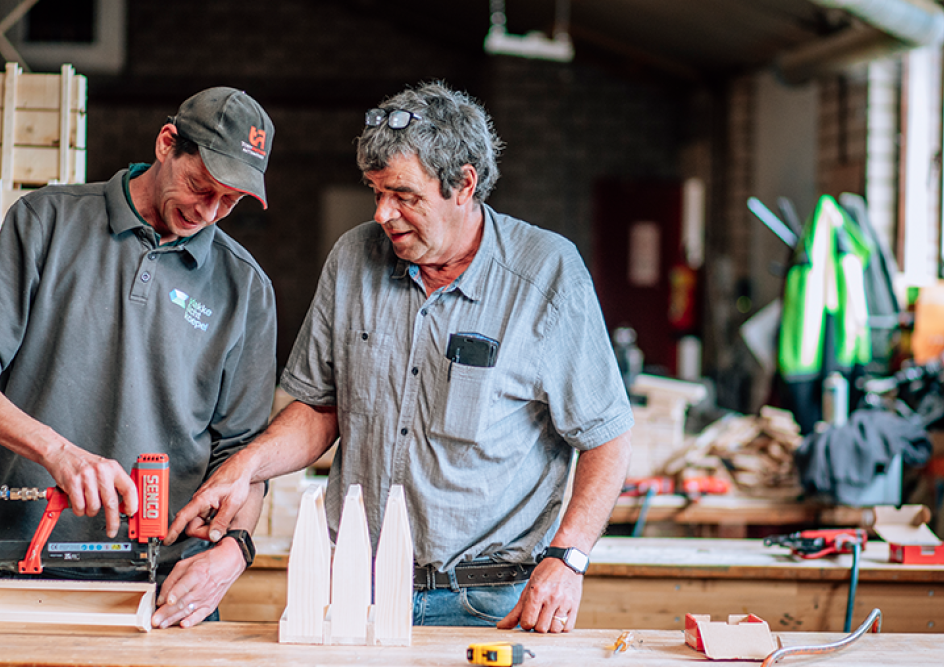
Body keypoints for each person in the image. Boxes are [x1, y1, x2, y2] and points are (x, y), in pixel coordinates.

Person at [170, 82, 634, 634]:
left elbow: (606, 436)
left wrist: (568, 558)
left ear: (463, 184)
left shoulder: (546, 276)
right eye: (375, 191)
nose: (384, 214)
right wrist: (245, 466)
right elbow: (320, 409)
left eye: (404, 195)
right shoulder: (352, 258)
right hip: (354, 591)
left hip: (486, 601)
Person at [0, 87, 278, 630]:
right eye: (200, 186)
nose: (207, 212)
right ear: (166, 144)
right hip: (21, 572)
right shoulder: (46, 223)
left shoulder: (245, 288)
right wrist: (58, 452)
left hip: (164, 594)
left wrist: (231, 554)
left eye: (228, 202)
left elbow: (245, 463)